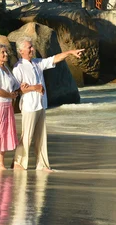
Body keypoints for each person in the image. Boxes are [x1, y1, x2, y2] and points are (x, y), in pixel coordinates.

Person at [12, 37, 84, 172]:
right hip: (29, 106)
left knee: (41, 136)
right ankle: (19, 163)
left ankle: (43, 164)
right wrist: (35, 88)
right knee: (26, 136)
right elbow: (16, 90)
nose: (32, 49)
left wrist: (69, 52)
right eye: (29, 47)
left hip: (41, 104)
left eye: (32, 47)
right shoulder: (18, 68)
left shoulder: (37, 63)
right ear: (21, 51)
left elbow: (54, 58)